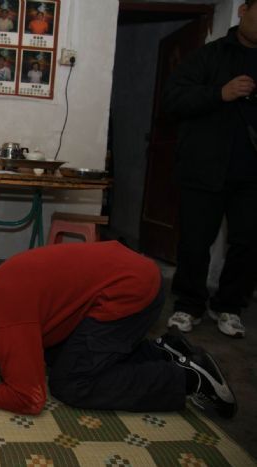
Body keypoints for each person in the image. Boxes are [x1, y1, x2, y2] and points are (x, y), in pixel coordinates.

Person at [0, 241, 237, 419]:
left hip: (131, 292)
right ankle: (165, 352)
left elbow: (29, 399)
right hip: (126, 270)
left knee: (70, 384)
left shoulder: (0, 331)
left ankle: (187, 379)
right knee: (56, 357)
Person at [163, 0, 257, 338]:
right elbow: (173, 99)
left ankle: (229, 306)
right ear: (243, 10)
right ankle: (189, 305)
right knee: (194, 241)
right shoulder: (208, 56)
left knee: (248, 243)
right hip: (203, 168)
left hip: (251, 175)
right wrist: (220, 93)